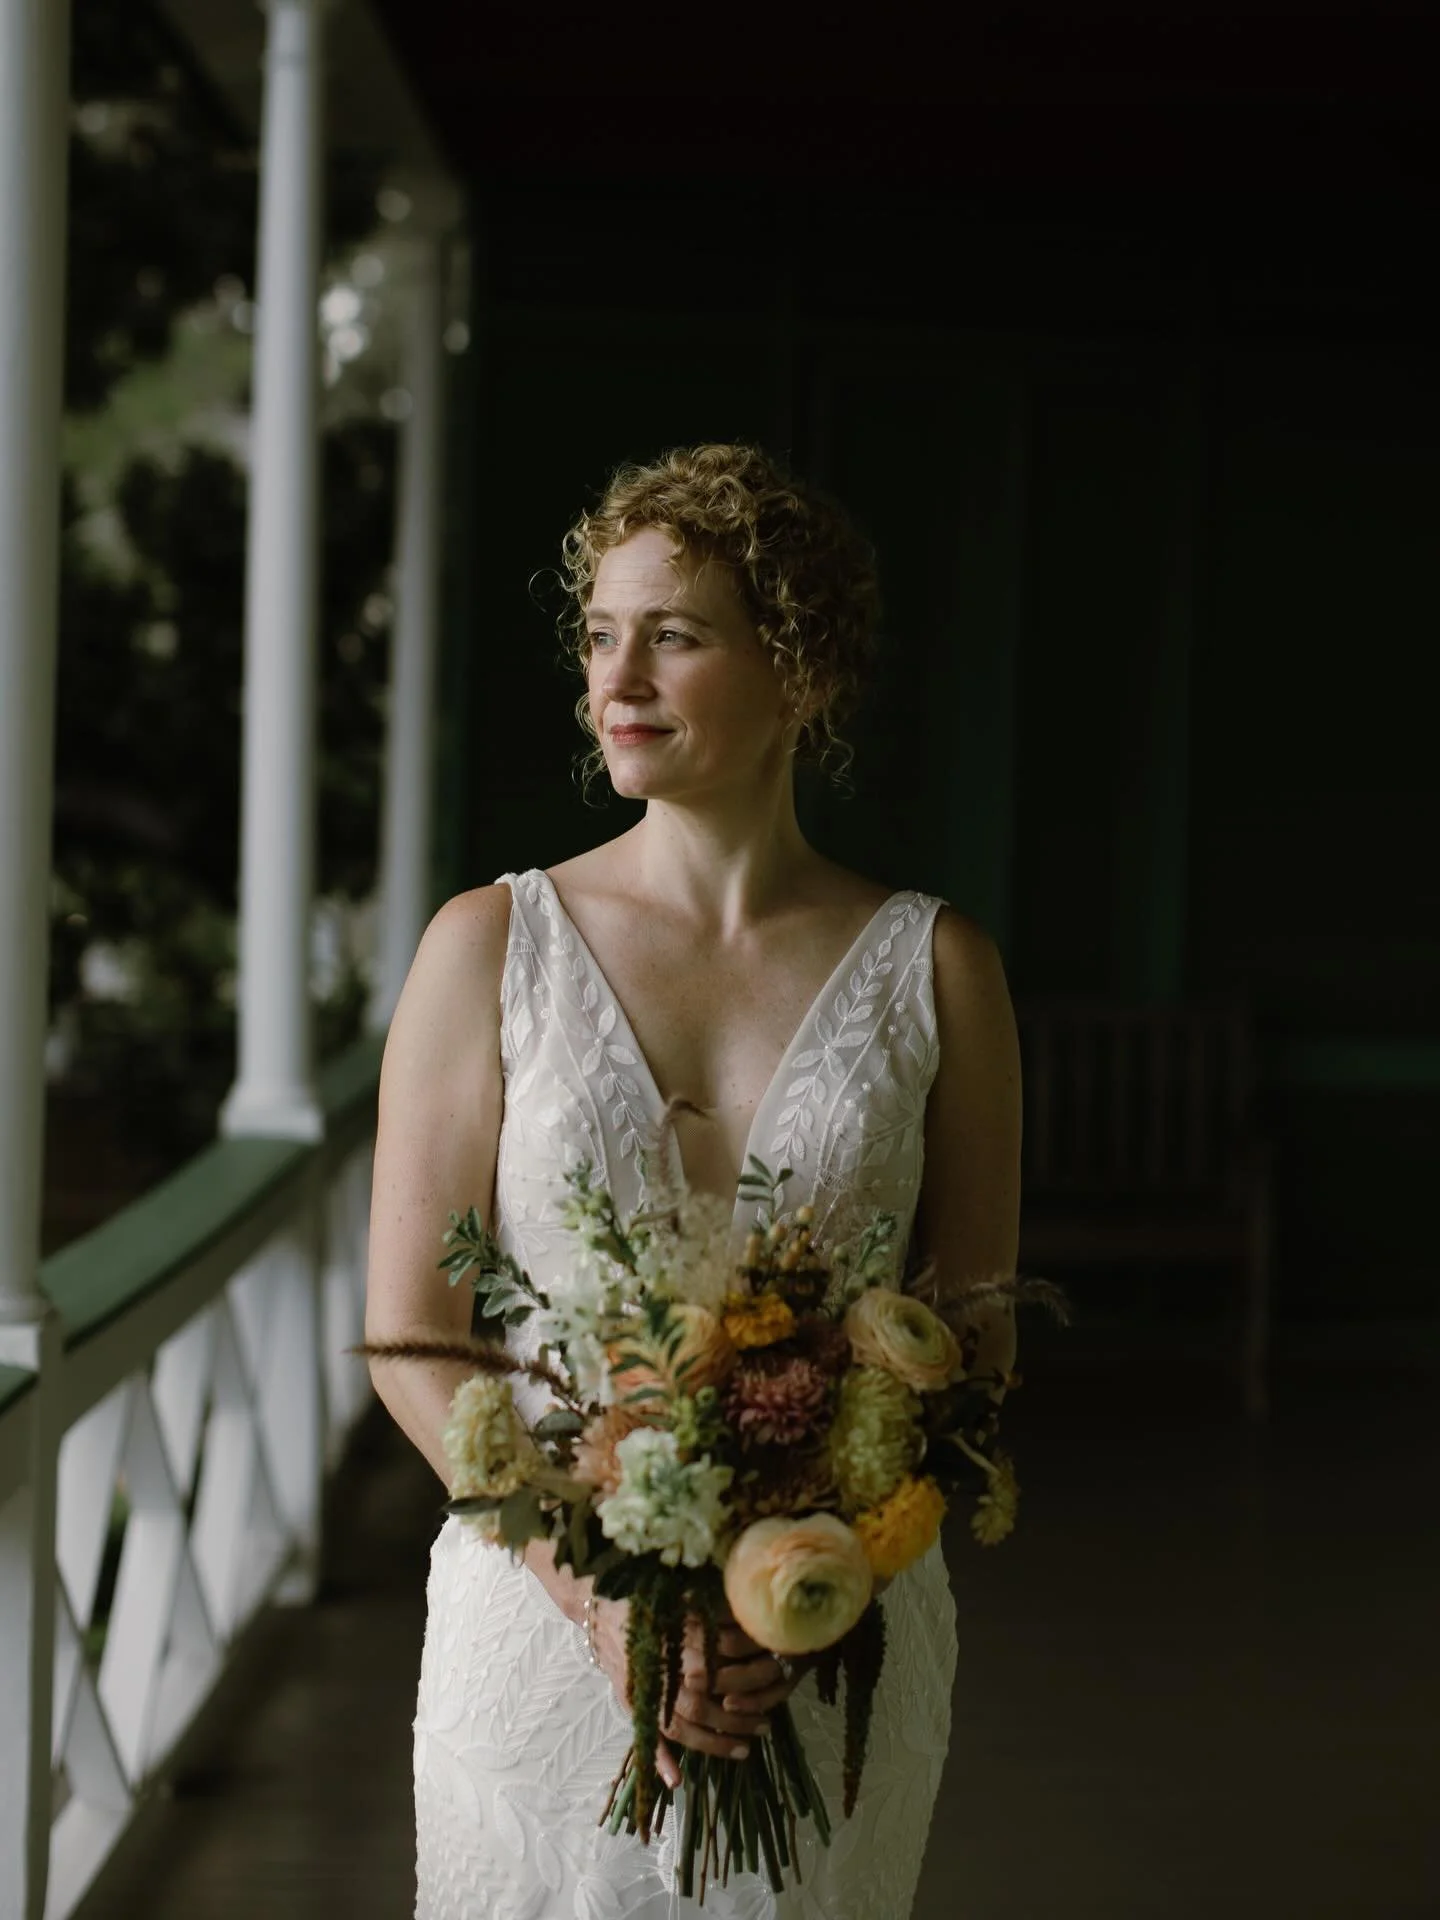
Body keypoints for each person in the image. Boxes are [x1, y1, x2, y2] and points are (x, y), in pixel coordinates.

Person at [365, 442, 1022, 1918]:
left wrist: (816, 1565)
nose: (617, 676)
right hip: (537, 1633)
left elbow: (976, 1328)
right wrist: (597, 1594)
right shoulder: (488, 946)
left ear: (798, 667)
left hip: (831, 1638)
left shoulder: (939, 969)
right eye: (601, 634)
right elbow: (411, 1338)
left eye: (672, 634)